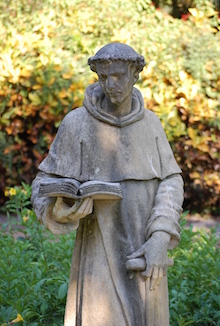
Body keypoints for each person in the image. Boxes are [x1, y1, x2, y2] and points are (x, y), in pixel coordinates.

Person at [31, 42, 184, 326]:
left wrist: (160, 238)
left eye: (118, 76)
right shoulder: (77, 123)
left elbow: (171, 181)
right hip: (97, 252)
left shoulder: (151, 125)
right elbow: (43, 183)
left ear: (135, 74)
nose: (110, 84)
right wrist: (60, 209)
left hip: (144, 248)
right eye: (103, 77)